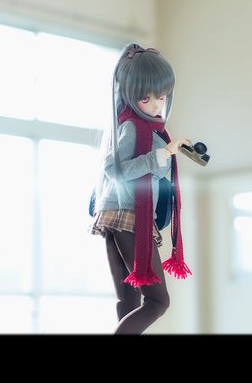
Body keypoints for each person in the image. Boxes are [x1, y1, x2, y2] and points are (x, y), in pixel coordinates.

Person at [90, 42, 192, 334]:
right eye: (146, 98)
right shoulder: (133, 126)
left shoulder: (146, 126)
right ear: (129, 95)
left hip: (118, 211)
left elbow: (146, 169)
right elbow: (116, 169)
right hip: (127, 213)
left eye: (162, 96)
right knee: (158, 301)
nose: (157, 105)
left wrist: (167, 152)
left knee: (129, 301)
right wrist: (164, 153)